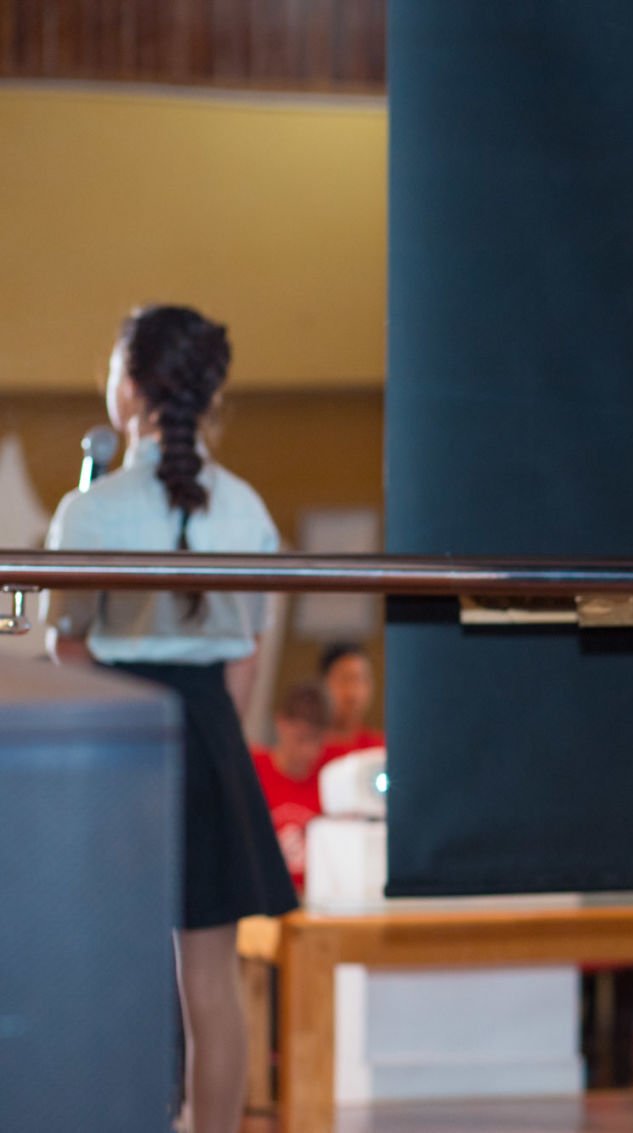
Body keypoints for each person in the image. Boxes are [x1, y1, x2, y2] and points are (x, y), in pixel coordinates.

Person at [42, 304, 296, 1133]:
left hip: (120, 738)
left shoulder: (91, 510)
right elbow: (247, 655)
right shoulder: (247, 507)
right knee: (212, 985)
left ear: (131, 385)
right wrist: (215, 736)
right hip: (211, 730)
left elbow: (67, 647)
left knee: (110, 971)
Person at [252, 682, 334, 892]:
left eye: (317, 741)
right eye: (301, 739)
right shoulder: (252, 770)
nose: (309, 751)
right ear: (281, 723)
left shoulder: (332, 776)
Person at [318, 640, 383, 760]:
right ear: (323, 684)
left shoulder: (380, 750)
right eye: (345, 679)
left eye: (361, 679)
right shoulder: (305, 751)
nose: (353, 692)